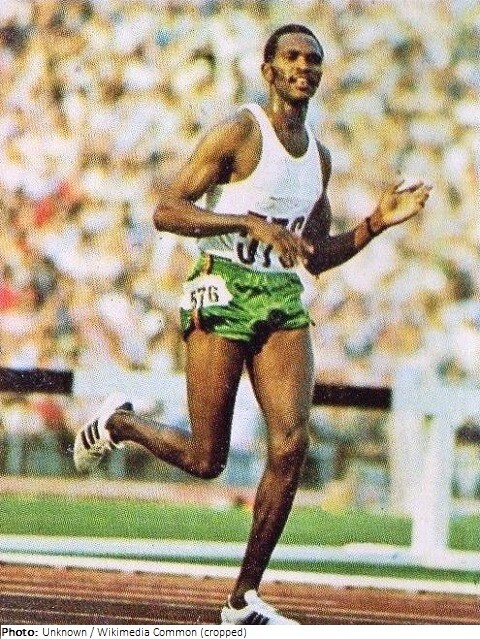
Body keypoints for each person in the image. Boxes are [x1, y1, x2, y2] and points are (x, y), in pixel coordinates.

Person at [73, 24, 431, 624]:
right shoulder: (240, 132)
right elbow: (166, 210)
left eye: (313, 60)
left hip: (280, 297)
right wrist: (245, 222)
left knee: (291, 444)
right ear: (268, 70)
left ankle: (242, 599)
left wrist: (375, 223)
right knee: (206, 459)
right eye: (292, 57)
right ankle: (121, 423)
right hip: (222, 284)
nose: (304, 67)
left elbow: (315, 257)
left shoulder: (319, 159)